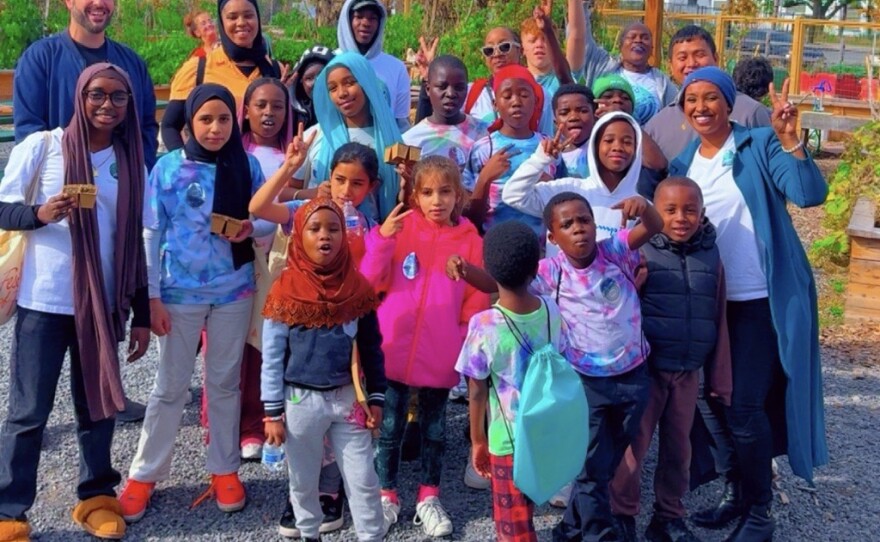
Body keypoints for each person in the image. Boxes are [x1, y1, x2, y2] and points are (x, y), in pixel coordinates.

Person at [644, 66, 828, 542]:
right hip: (706, 302)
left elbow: (809, 195)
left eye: (711, 98)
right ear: (682, 109)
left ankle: (760, 512)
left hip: (757, 300)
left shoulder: (760, 144)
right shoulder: (684, 163)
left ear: (729, 103)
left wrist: (791, 140)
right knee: (709, 403)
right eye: (691, 100)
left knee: (744, 406)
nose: (701, 107)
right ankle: (737, 492)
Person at [0, 63, 150, 542]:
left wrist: (142, 313)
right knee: (28, 412)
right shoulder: (42, 147)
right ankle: (9, 509)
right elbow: (2, 207)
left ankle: (95, 497)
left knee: (98, 407)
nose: (108, 106)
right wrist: (39, 213)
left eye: (119, 98)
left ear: (130, 105)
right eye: (98, 95)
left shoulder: (130, 160)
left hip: (102, 304)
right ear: (80, 97)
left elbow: (138, 239)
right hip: (44, 301)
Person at [119, 84, 276, 522]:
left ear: (235, 122)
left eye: (224, 119)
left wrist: (251, 227)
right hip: (179, 293)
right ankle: (144, 474)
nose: (215, 128)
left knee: (224, 383)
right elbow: (151, 233)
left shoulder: (246, 164)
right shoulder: (169, 169)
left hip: (233, 290)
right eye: (205, 120)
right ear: (188, 124)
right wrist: (150, 299)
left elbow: (266, 214)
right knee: (169, 387)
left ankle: (224, 470)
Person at [251, 140, 383, 538]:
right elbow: (272, 358)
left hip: (347, 399)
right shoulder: (284, 294)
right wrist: (272, 413)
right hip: (298, 402)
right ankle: (308, 531)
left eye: (333, 230)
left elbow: (372, 349)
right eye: (314, 229)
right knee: (302, 479)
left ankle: (372, 535)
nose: (324, 237)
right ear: (298, 235)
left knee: (363, 478)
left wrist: (375, 398)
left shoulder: (357, 290)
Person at [361, 156, 490, 537]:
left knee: (435, 431)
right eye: (428, 192)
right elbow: (369, 282)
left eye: (445, 191)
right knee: (390, 429)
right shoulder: (400, 229)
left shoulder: (470, 241)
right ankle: (386, 496)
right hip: (393, 346)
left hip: (440, 351)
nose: (437, 201)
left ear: (459, 195)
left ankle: (428, 496)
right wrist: (382, 238)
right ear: (415, 194)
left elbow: (476, 301)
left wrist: (462, 341)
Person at [608, 177, 731, 542]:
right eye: (670, 210)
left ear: (702, 212)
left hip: (688, 370)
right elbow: (619, 305)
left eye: (690, 209)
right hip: (647, 370)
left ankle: (668, 517)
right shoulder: (642, 251)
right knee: (634, 448)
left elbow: (719, 313)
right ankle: (622, 514)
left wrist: (720, 375)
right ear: (655, 213)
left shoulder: (711, 253)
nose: (681, 218)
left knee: (680, 450)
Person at [538, 192, 662, 542]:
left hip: (633, 375)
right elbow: (509, 285)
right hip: (587, 383)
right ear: (552, 237)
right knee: (592, 467)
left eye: (584, 220)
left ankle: (569, 529)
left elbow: (654, 226)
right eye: (567, 224)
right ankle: (599, 535)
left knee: (605, 464)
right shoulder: (551, 272)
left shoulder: (616, 250)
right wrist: (469, 272)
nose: (578, 229)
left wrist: (646, 209)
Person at [197, 76, 295, 462]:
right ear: (246, 111)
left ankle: (254, 423)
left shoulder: (295, 151)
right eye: (261, 105)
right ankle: (218, 423)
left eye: (278, 106)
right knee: (223, 346)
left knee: (262, 345)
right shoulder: (233, 150)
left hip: (275, 264)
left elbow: (284, 206)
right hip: (228, 265)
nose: (269, 113)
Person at [456, 221, 572, 542]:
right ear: (536, 268)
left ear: (489, 269)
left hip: (507, 439)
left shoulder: (485, 325)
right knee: (530, 505)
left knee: (513, 524)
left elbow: (476, 389)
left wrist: (478, 440)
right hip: (545, 430)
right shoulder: (550, 309)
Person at [13, 0, 158, 192]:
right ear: (69, 2)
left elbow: (146, 126)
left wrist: (136, 173)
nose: (99, 3)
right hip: (61, 196)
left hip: (121, 194)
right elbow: (29, 133)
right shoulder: (40, 59)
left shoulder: (132, 63)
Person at [502, 111, 661, 257]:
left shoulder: (640, 206)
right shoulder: (567, 191)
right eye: (609, 140)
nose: (617, 147)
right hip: (560, 287)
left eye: (627, 142)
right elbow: (513, 195)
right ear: (595, 146)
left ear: (636, 149)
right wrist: (540, 160)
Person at [291, 52, 403, 222]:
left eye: (349, 82)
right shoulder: (314, 137)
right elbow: (284, 193)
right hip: (321, 240)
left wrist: (407, 183)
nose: (341, 93)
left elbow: (401, 203)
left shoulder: (392, 141)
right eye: (332, 88)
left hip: (373, 242)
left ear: (367, 83)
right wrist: (314, 194)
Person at [162, 0, 281, 151]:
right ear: (222, 23)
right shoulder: (198, 68)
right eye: (232, 17)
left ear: (258, 18)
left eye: (248, 15)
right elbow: (169, 126)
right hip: (214, 171)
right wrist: (187, 167)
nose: (241, 22)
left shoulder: (274, 70)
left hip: (266, 172)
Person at [644, 25, 771, 161]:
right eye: (682, 58)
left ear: (715, 59)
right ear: (671, 65)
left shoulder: (750, 112)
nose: (691, 63)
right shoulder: (657, 125)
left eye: (700, 55)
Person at [463, 65, 553, 235]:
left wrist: (550, 187)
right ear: (495, 104)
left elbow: (562, 202)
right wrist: (485, 179)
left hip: (541, 249)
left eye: (524, 95)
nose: (516, 102)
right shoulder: (484, 148)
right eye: (507, 96)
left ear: (535, 101)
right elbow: (469, 218)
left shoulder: (548, 147)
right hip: (494, 246)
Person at [580, 3, 677, 124]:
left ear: (652, 48)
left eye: (645, 38)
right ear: (620, 46)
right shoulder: (601, 66)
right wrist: (581, 5)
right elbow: (581, 39)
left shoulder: (664, 85)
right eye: (632, 37)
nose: (638, 40)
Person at [403, 56, 489, 173]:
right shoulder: (412, 141)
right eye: (442, 87)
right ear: (428, 89)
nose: (451, 94)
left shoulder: (485, 133)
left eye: (459, 87)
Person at [336, 0, 412, 130]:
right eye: (359, 17)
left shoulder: (396, 68)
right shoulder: (331, 62)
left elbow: (401, 124)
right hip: (337, 149)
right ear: (347, 20)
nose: (366, 23)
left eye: (373, 18)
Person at [550, 84, 596, 179]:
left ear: (595, 116)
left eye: (583, 111)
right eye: (564, 113)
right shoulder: (554, 156)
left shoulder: (600, 148)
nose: (573, 117)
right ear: (556, 123)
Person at [289, 45, 336, 130]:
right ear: (300, 82)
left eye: (322, 75)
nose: (316, 83)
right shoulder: (292, 116)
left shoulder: (346, 109)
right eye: (309, 78)